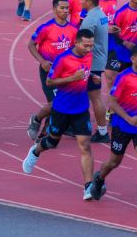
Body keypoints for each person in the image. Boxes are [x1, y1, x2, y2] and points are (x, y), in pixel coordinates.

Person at [87, 45, 137, 217]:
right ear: (133, 59)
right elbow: (112, 102)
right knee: (114, 162)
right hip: (122, 126)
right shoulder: (123, 78)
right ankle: (99, 178)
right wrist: (128, 119)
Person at [22, 29, 96, 199]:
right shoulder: (63, 59)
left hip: (81, 109)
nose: (89, 49)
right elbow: (50, 81)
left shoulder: (89, 57)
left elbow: (84, 72)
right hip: (62, 109)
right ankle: (35, 152)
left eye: (91, 46)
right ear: (76, 43)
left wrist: (91, 77)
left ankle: (88, 186)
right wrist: (72, 78)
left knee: (85, 146)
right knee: (51, 142)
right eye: (86, 45)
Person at [26, 0, 79, 140]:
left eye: (67, 8)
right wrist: (42, 61)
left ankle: (45, 132)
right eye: (62, 8)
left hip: (66, 72)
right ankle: (36, 119)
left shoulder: (74, 29)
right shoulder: (46, 28)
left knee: (63, 101)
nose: (65, 11)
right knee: (55, 102)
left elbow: (74, 50)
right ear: (54, 9)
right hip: (49, 71)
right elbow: (31, 45)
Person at [78, 0, 111, 144]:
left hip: (91, 63)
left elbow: (83, 44)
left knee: (95, 97)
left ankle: (102, 132)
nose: (80, 1)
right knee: (90, 96)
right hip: (99, 60)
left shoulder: (90, 19)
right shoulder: (101, 14)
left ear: (89, 1)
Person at [96, 0, 121, 89]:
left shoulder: (113, 0)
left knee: (112, 79)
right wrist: (106, 29)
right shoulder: (92, 3)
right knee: (93, 82)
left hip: (111, 45)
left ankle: (112, 101)